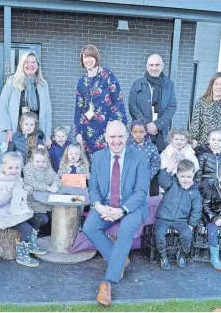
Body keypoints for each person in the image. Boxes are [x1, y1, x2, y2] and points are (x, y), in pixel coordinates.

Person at [82, 120, 149, 307]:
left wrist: (122, 211)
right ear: (105, 137)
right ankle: (119, 260)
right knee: (89, 227)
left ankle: (108, 282)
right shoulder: (98, 157)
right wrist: (98, 206)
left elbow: (141, 192)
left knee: (126, 228)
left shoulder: (140, 157)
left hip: (131, 207)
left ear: (127, 137)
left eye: (120, 136)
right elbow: (93, 187)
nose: (116, 141)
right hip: (106, 205)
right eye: (112, 136)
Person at [0, 152, 46, 267]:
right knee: (26, 228)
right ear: (3, 168)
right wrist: (7, 192)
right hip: (4, 216)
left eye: (17, 168)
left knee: (38, 219)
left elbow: (20, 192)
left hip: (17, 212)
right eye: (10, 168)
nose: (14, 171)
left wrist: (26, 188)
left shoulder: (18, 179)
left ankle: (30, 244)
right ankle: (22, 255)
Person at [74, 44, 127, 158]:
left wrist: (115, 126)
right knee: (91, 164)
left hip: (107, 128)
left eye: (91, 57)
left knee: (107, 162)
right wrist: (78, 132)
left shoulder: (107, 76)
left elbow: (118, 100)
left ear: (96, 58)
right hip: (87, 130)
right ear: (82, 60)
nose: (88, 60)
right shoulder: (81, 82)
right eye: (85, 57)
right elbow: (78, 109)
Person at [0, 51, 52, 149]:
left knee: (34, 162)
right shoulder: (12, 81)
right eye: (27, 62)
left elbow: (48, 113)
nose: (30, 65)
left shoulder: (43, 85)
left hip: (36, 134)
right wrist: (8, 129)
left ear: (37, 66)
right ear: (22, 65)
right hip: (15, 133)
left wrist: (47, 135)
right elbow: (2, 106)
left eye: (33, 62)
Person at [155, 158, 202, 271]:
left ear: (193, 175)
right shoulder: (171, 184)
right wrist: (168, 169)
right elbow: (162, 180)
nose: (185, 179)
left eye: (188, 177)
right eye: (182, 176)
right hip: (163, 217)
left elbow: (197, 210)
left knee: (187, 234)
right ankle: (163, 256)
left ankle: (181, 255)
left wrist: (191, 224)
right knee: (159, 233)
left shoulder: (195, 192)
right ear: (177, 175)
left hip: (181, 220)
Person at [128, 54, 177, 152]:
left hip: (161, 132)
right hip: (141, 131)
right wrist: (147, 124)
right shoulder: (137, 84)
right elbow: (132, 107)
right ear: (147, 67)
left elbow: (172, 106)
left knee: (160, 160)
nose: (154, 68)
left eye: (157, 65)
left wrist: (157, 125)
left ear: (162, 66)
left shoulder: (169, 85)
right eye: (151, 65)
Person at [190, 72, 221, 148]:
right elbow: (196, 124)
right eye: (216, 84)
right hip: (205, 145)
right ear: (211, 85)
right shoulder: (201, 101)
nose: (218, 87)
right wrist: (195, 146)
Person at [23, 147, 62, 226]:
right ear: (32, 161)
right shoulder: (29, 169)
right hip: (33, 203)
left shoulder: (49, 169)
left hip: (47, 202)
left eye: (43, 162)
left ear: (47, 161)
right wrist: (47, 188)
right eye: (37, 161)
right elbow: (32, 182)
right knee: (43, 219)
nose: (40, 164)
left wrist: (55, 185)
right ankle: (34, 228)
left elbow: (56, 178)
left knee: (58, 216)